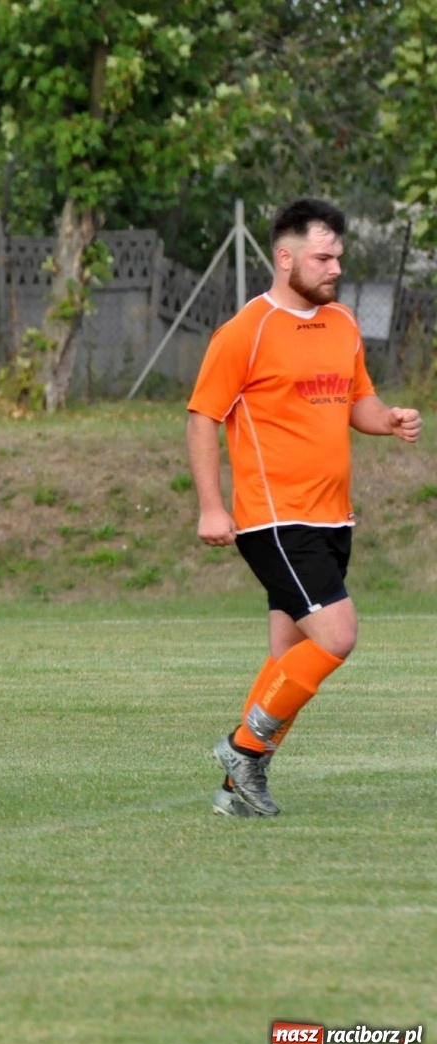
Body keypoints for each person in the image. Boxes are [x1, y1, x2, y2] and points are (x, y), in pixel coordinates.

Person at [186, 197, 421, 818]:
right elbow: (202, 417)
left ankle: (237, 792)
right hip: (276, 519)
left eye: (338, 256)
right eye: (322, 257)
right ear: (285, 258)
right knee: (337, 635)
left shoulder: (341, 322)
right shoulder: (246, 331)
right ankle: (244, 747)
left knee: (289, 659)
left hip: (332, 517)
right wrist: (211, 507)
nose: (335, 267)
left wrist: (388, 420)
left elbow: (356, 401)